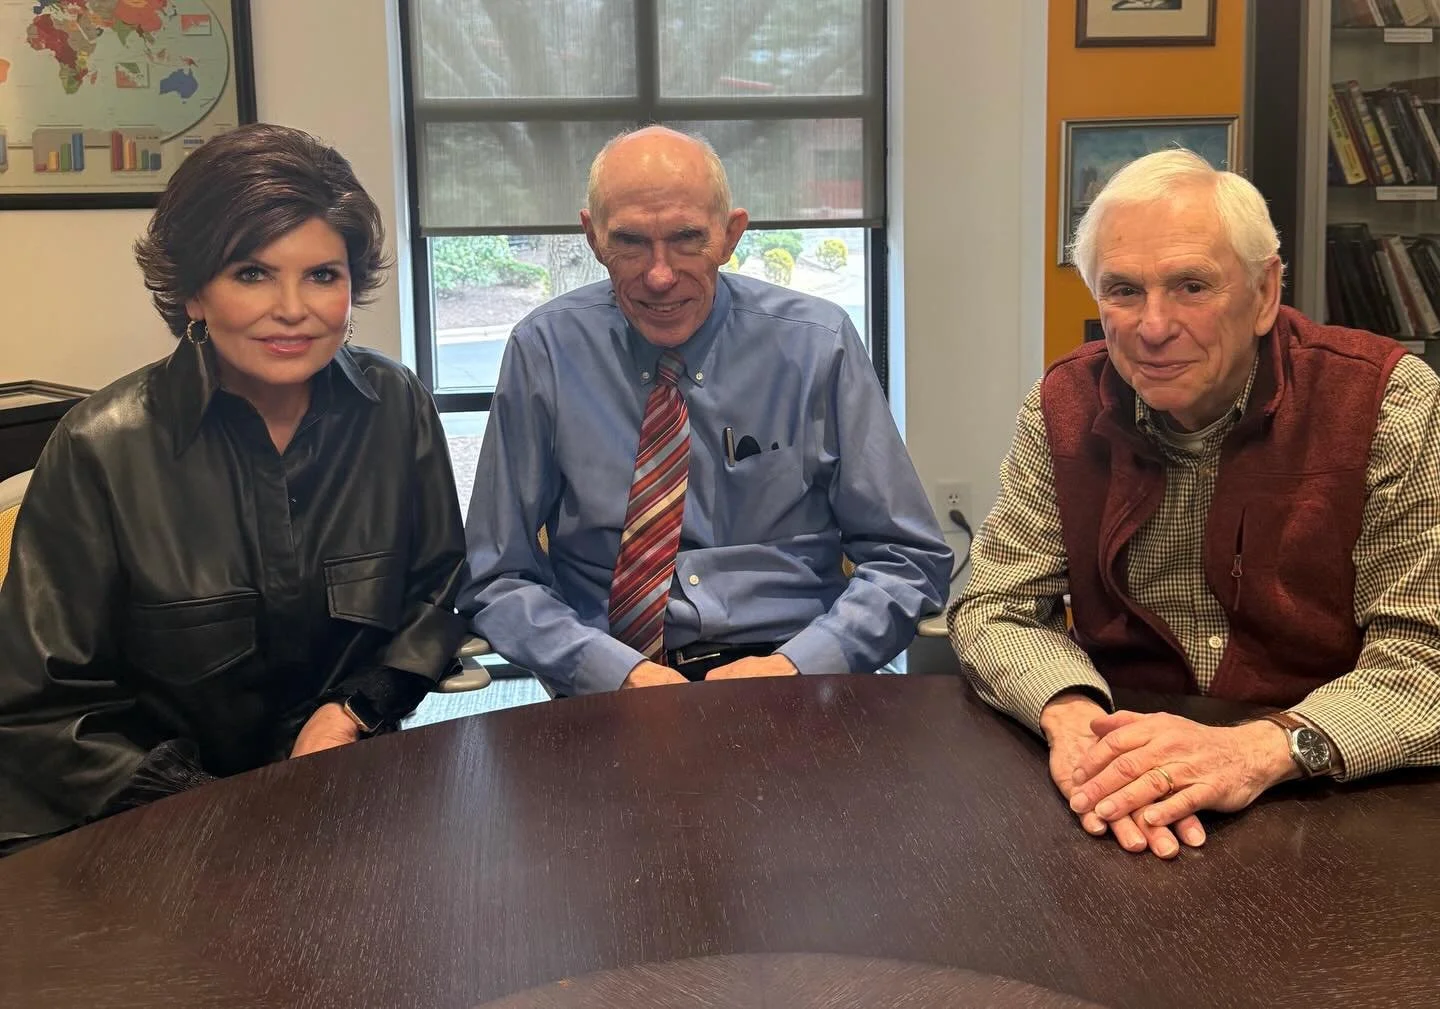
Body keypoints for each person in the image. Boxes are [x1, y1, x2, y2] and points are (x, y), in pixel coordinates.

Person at [950, 149, 1440, 859]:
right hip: (1121, 787)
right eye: (1123, 290)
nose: (1152, 326)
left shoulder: (1387, 403)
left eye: (1190, 286)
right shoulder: (1062, 404)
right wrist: (1073, 717)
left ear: (1266, 291)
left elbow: (1426, 660)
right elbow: (993, 606)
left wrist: (1259, 751)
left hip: (1330, 796)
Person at [0, 124, 467, 853]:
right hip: (150, 835)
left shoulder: (395, 405)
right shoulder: (101, 446)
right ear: (192, 291)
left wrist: (353, 711)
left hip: (346, 804)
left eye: (323, 275)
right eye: (252, 273)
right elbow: (46, 712)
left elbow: (437, 592)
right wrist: (221, 814)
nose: (293, 308)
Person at [461, 126, 950, 695]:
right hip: (606, 685)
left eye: (687, 238)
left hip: (789, 674)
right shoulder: (543, 350)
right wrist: (611, 673)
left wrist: (799, 665)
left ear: (730, 234)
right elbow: (496, 575)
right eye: (631, 242)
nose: (660, 275)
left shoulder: (817, 345)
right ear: (593, 239)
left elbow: (907, 557)